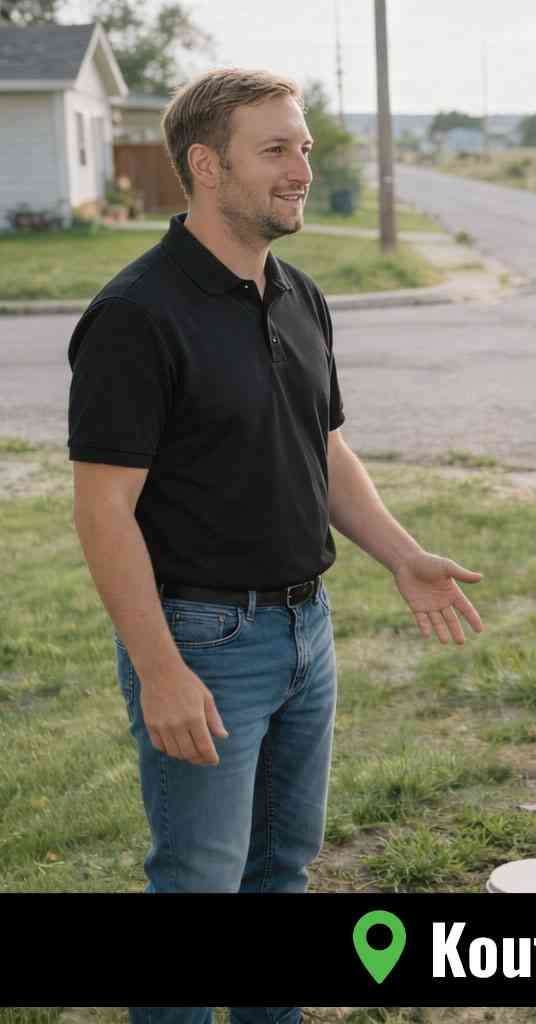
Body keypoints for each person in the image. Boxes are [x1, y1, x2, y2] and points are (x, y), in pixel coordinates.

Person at [68, 67, 484, 917]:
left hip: (307, 628)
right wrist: (161, 670)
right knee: (200, 881)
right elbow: (103, 512)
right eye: (275, 151)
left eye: (305, 147)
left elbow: (324, 448)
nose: (302, 170)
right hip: (204, 641)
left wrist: (402, 556)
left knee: (285, 868)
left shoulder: (299, 294)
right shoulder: (136, 316)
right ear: (207, 165)